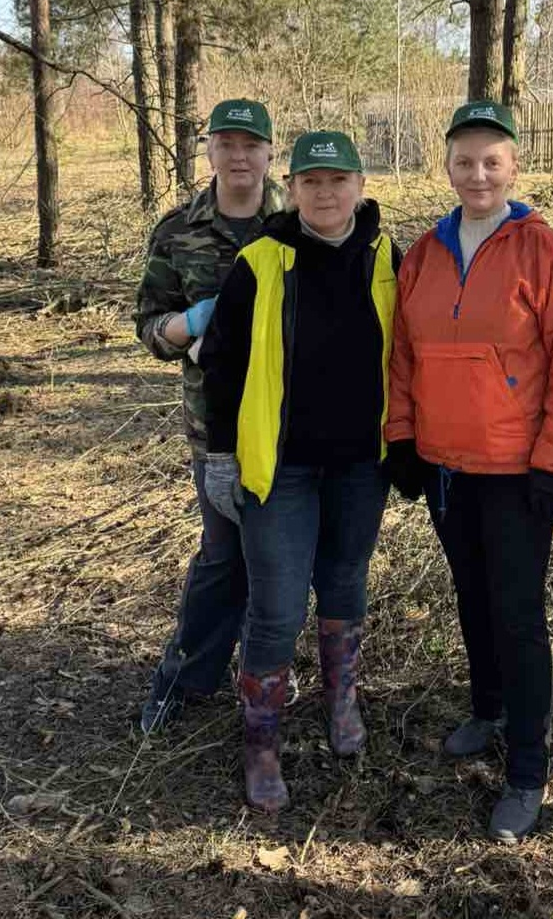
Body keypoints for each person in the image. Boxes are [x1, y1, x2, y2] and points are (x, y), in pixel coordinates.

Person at [385, 100, 553, 842]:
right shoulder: (425, 252)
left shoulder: (544, 253)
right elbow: (402, 356)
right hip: (445, 468)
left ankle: (528, 771)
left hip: (516, 472)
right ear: (446, 167)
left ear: (513, 166)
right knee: (471, 597)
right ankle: (489, 709)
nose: (477, 173)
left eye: (491, 161)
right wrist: (402, 438)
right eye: (464, 161)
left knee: (517, 614)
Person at [199, 131, 398, 814]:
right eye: (311, 181)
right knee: (277, 607)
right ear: (292, 188)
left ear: (360, 186)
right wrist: (221, 457)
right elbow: (221, 365)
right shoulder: (260, 261)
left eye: (338, 180)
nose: (325, 192)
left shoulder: (387, 258)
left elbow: (410, 355)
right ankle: (261, 742)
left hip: (359, 466)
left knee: (344, 584)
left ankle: (340, 702)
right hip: (279, 470)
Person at [135, 99, 284, 734]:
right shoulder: (178, 230)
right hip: (214, 427)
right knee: (223, 556)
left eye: (251, 145)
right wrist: (186, 324)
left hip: (288, 425)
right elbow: (148, 324)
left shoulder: (298, 220)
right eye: (227, 144)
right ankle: (183, 680)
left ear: (270, 151)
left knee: (275, 557)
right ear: (211, 151)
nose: (240, 156)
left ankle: (264, 672)